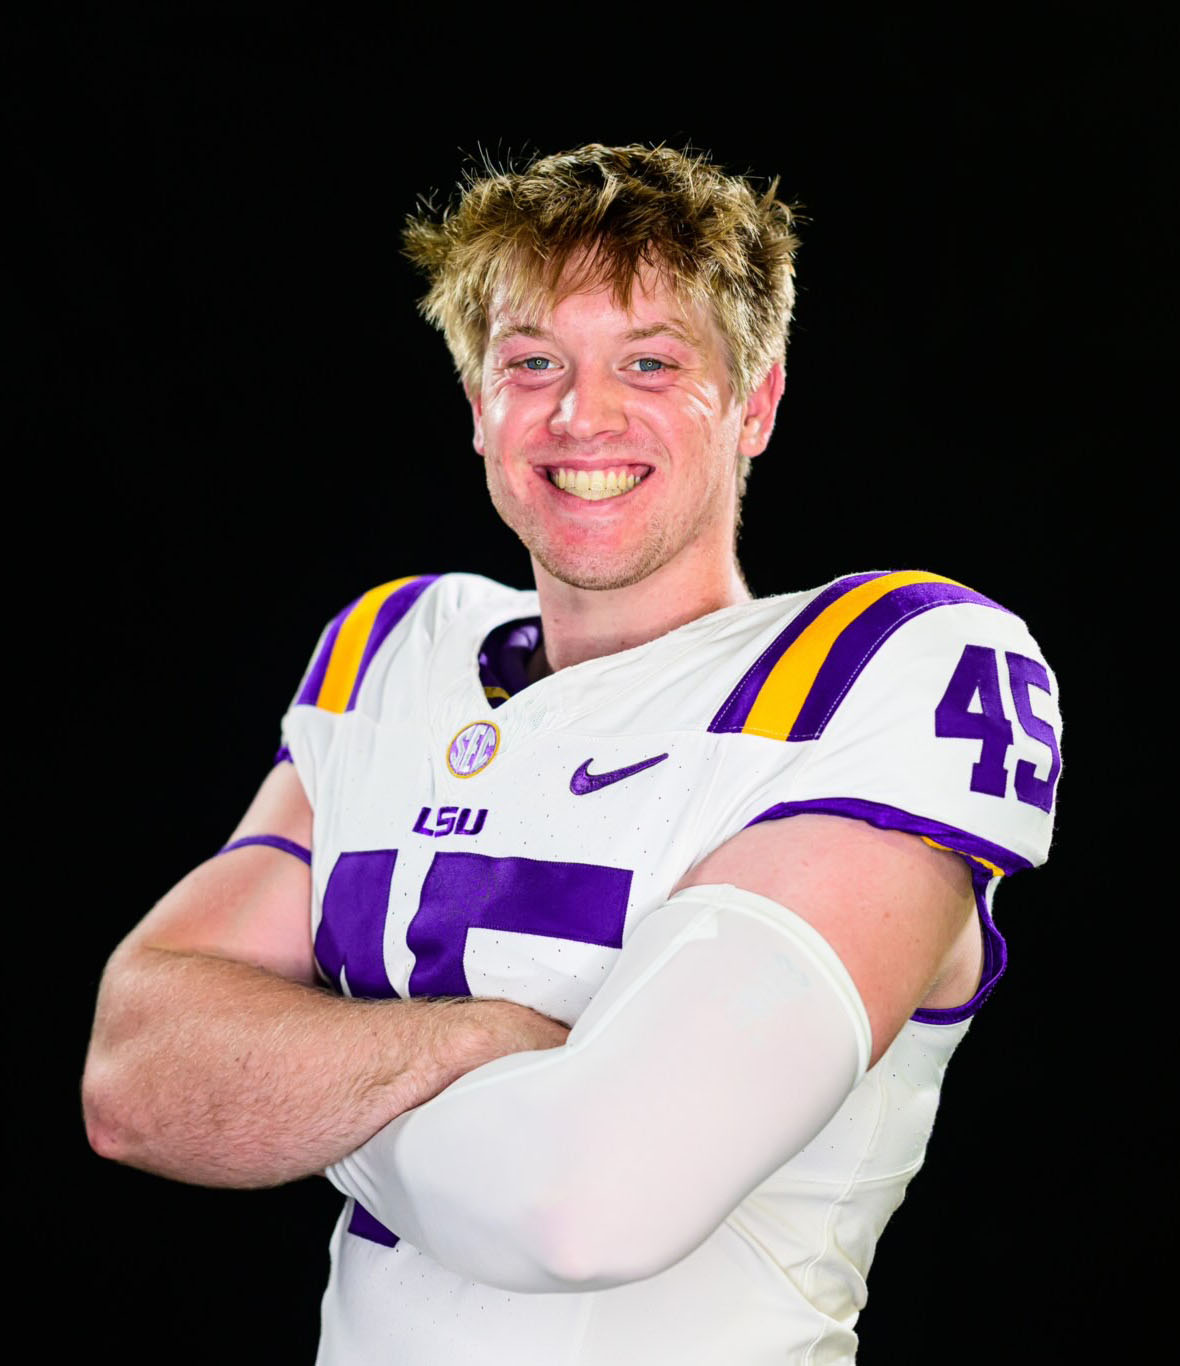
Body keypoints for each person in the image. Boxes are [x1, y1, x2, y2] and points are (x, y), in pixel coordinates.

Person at [83, 143, 1062, 1363]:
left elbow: (586, 1202)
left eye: (648, 362)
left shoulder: (882, 668)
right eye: (531, 362)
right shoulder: (393, 650)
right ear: (477, 405)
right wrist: (485, 1039)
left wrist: (268, 1086)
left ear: (753, 403)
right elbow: (132, 1079)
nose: (579, 414)